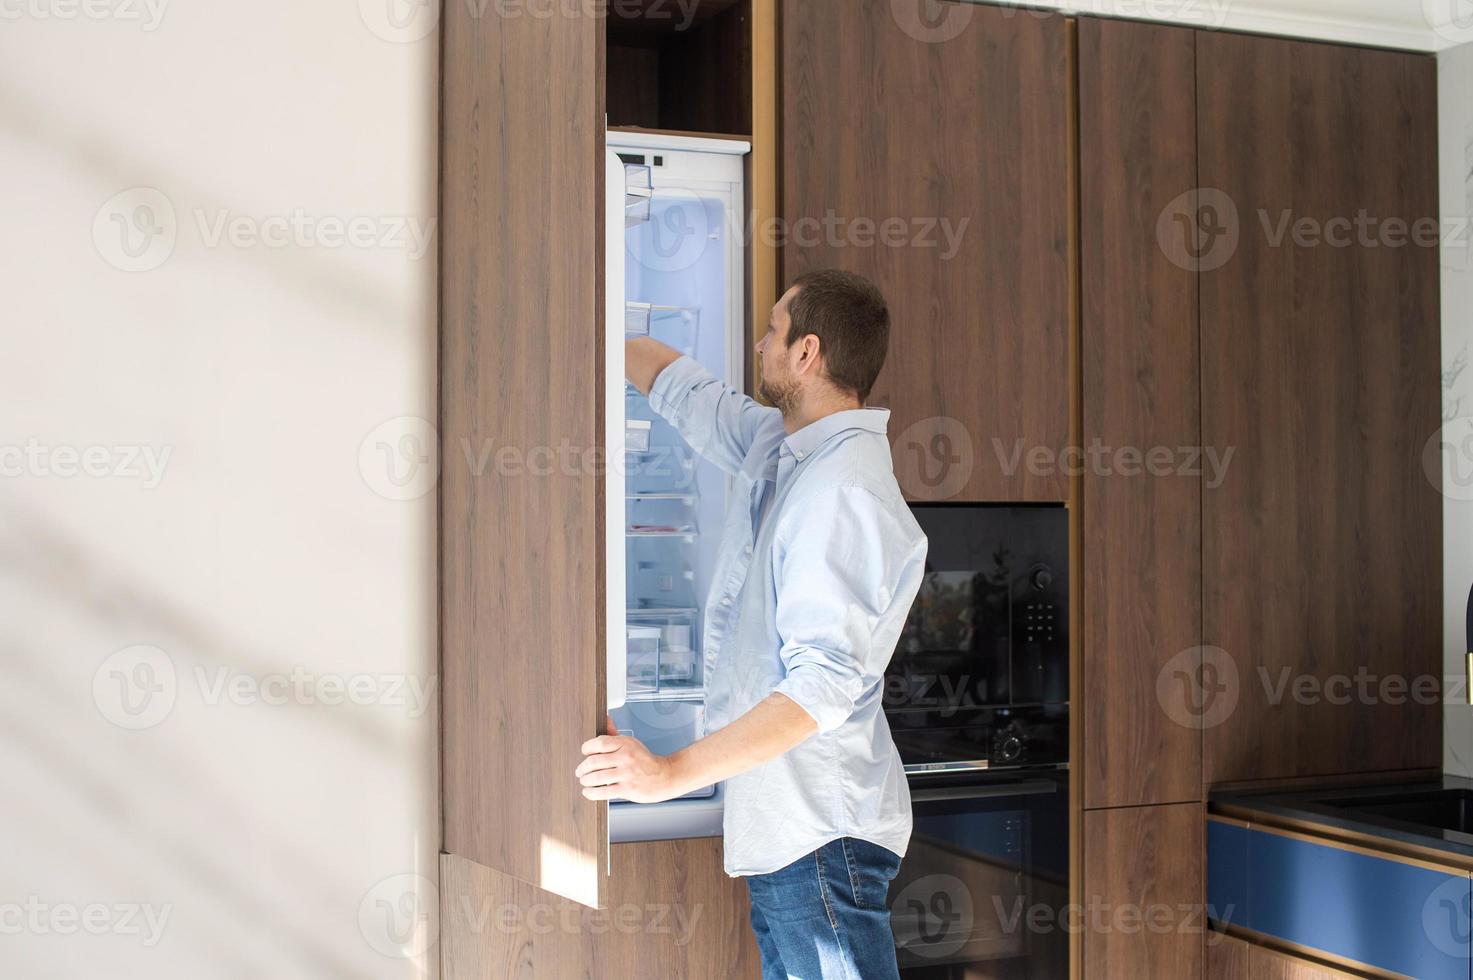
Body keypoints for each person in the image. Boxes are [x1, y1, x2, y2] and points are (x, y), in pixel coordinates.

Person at [575, 269, 927, 979]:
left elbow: (818, 690)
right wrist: (587, 333)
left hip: (821, 835)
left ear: (807, 354)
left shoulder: (842, 492)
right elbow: (690, 395)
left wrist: (668, 772)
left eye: (772, 331)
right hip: (790, 834)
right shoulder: (786, 447)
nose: (759, 345)